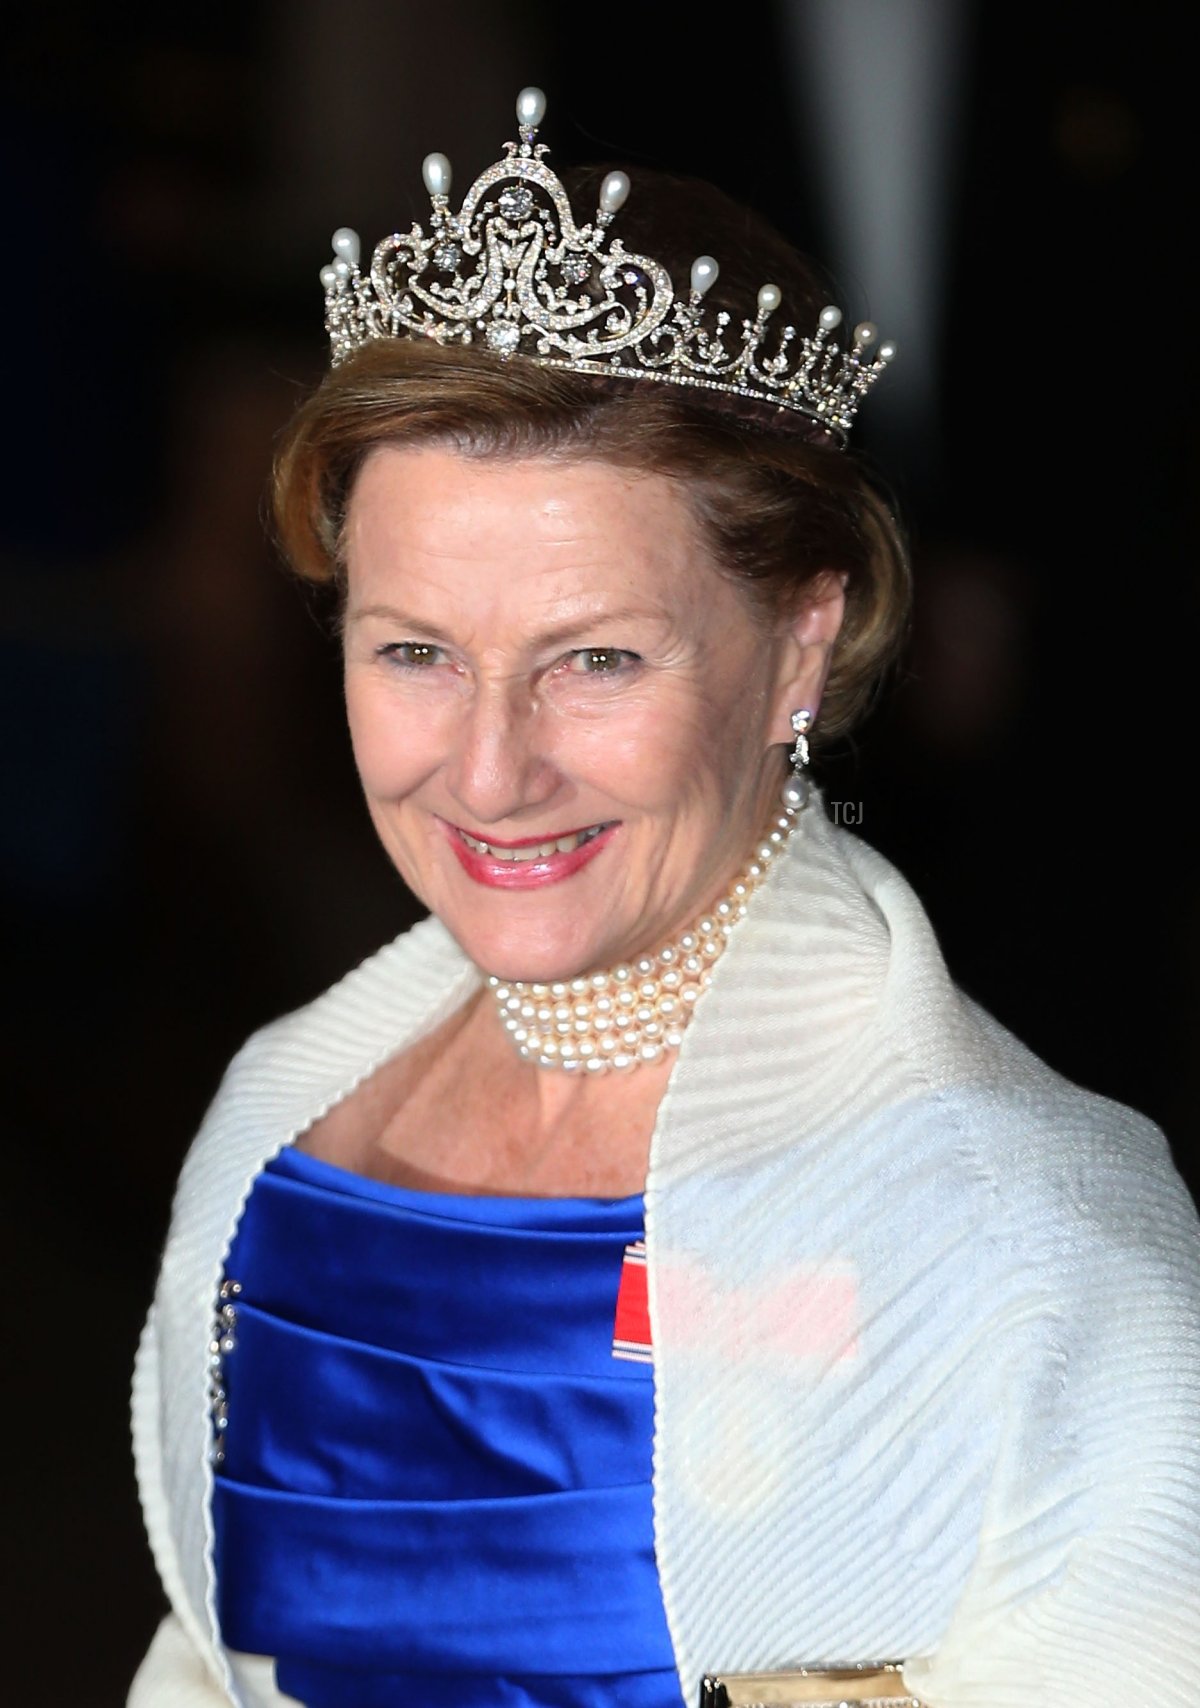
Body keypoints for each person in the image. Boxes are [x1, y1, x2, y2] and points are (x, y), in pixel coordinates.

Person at [129, 88, 1200, 1708]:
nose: (488, 773)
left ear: (801, 641)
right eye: (414, 650)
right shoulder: (275, 1125)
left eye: (598, 660)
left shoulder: (1033, 1246)